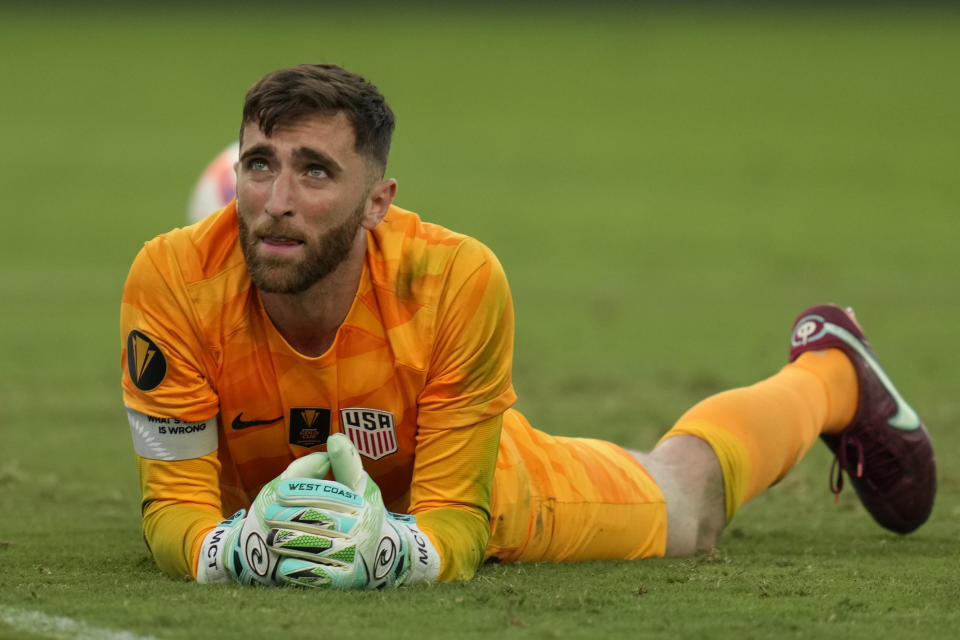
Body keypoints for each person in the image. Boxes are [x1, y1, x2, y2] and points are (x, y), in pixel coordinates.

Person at [121, 64, 936, 589]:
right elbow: (174, 509)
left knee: (686, 506)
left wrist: (391, 553)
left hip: (468, 480)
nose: (277, 201)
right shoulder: (171, 278)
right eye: (259, 164)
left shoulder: (452, 281)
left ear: (379, 202)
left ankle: (828, 372)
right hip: (269, 508)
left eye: (316, 171)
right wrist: (235, 552)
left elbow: (453, 525)